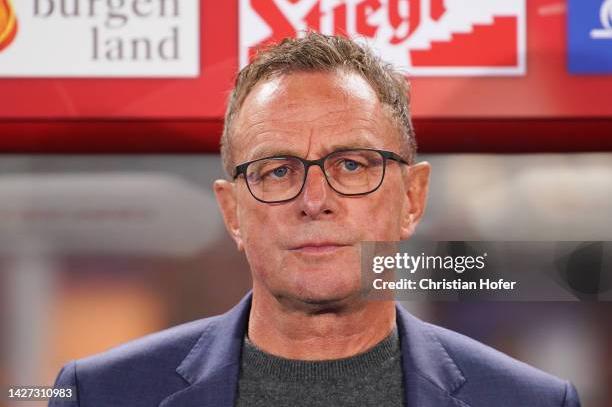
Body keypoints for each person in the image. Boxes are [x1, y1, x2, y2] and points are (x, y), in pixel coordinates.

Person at [50, 32, 581, 407]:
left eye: (351, 165)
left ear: (413, 199)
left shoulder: (529, 401)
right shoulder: (99, 395)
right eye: (277, 171)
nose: (314, 199)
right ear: (232, 212)